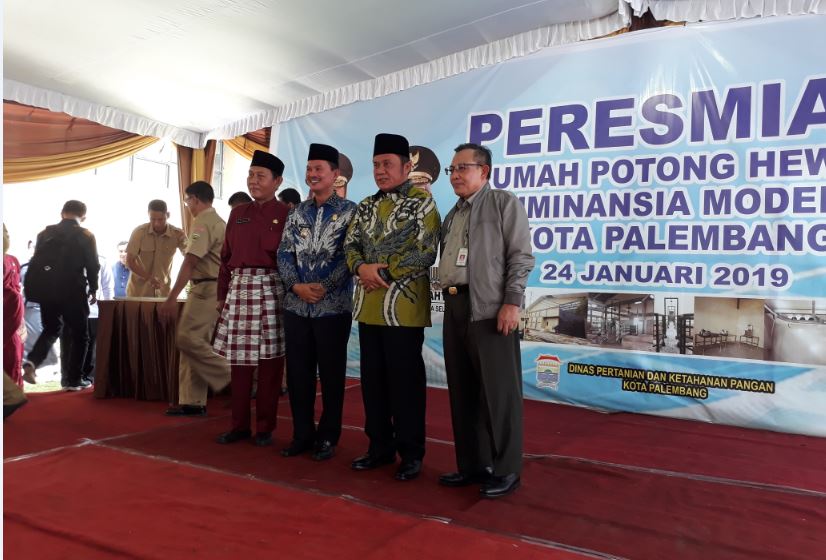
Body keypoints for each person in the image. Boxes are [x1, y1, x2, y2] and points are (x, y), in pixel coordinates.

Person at [438, 143, 535, 499]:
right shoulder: (453, 214)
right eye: (452, 169)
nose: (456, 175)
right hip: (455, 307)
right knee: (463, 392)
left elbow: (521, 257)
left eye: (464, 168)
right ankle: (473, 465)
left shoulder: (502, 203)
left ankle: (507, 468)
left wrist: (512, 302)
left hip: (491, 310)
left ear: (485, 172)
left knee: (499, 394)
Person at [344, 133, 441, 481]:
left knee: (405, 384)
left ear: (406, 166)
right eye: (375, 165)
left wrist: (379, 271)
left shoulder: (422, 203)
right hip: (368, 307)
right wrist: (360, 268)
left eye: (387, 164)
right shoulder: (366, 204)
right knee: (373, 383)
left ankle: (411, 453)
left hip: (403, 311)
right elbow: (350, 244)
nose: (380, 171)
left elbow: (425, 250)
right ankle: (379, 448)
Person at [278, 143, 357, 461]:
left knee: (332, 374)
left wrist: (322, 287)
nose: (312, 174)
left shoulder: (351, 211)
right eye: (309, 169)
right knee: (298, 374)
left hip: (333, 307)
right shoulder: (296, 212)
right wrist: (296, 286)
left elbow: (350, 255)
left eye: (319, 169)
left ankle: (328, 437)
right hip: (297, 306)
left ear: (335, 175)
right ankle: (302, 434)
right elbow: (284, 252)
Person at [213, 150, 289, 446]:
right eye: (250, 175)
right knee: (240, 363)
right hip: (240, 288)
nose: (253, 181)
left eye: (261, 176)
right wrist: (222, 295)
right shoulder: (237, 213)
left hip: (272, 289)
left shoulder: (286, 214)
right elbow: (225, 258)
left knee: (271, 362)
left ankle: (266, 427)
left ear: (277, 181)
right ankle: (239, 425)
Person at [160, 181, 231, 416]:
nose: (187, 205)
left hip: (206, 288)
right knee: (193, 342)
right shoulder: (219, 221)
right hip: (211, 287)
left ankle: (230, 375)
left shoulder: (203, 222)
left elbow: (190, 261)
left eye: (187, 200)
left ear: (196, 199)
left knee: (187, 339)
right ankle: (192, 400)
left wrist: (171, 297)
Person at [22, 200, 100, 391]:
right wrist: (93, 288)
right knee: (81, 335)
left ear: (62, 213)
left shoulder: (44, 233)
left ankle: (31, 362)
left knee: (51, 329)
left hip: (48, 291)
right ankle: (74, 380)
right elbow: (92, 265)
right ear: (83, 216)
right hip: (73, 290)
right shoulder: (86, 235)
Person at [59, 253, 113, 386]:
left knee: (91, 347)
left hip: (94, 312)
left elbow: (107, 287)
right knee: (68, 345)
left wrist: (108, 310)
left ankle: (88, 378)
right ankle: (68, 378)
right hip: (69, 312)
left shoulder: (102, 261)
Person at [125, 199, 186, 297]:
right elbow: (129, 261)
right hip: (138, 293)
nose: (156, 223)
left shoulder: (177, 234)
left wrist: (197, 234)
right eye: (152, 219)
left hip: (163, 293)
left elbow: (190, 254)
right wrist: (149, 278)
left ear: (168, 215)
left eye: (161, 219)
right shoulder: (139, 232)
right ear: (148, 215)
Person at [3, 225, 25, 387]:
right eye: (3, 233)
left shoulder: (13, 260)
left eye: (7, 232)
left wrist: (22, 322)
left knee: (15, 357)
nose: (7, 236)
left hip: (15, 319)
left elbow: (17, 287)